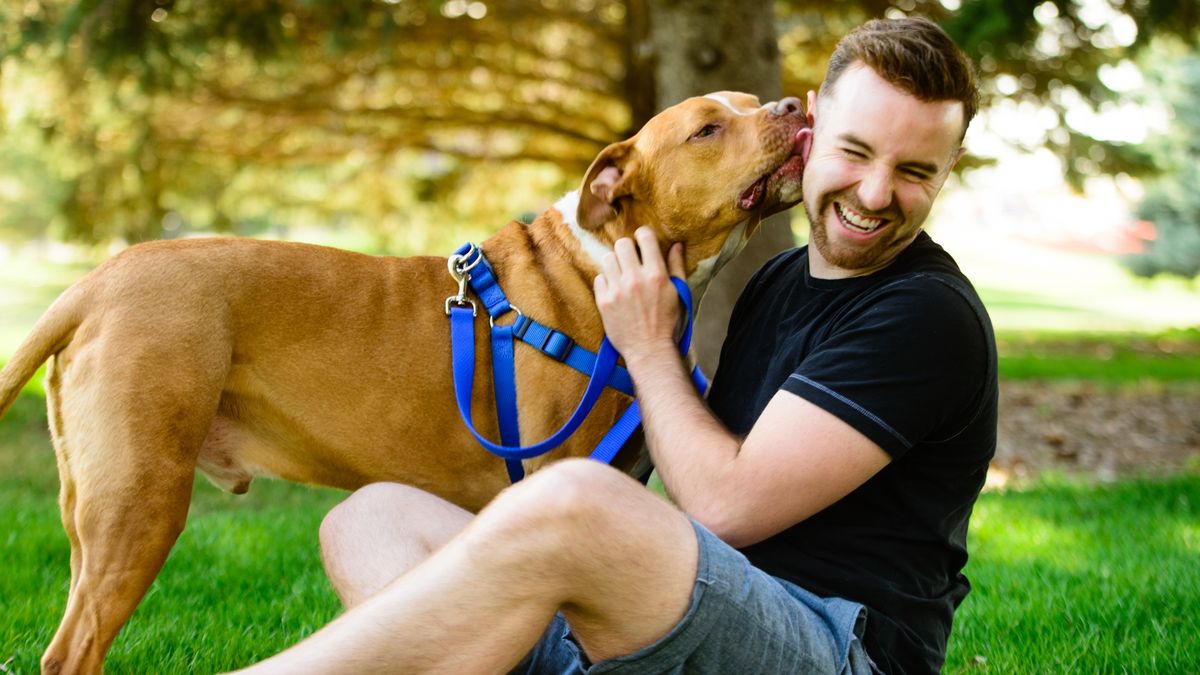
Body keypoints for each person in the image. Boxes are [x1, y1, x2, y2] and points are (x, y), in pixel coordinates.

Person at [236, 16, 996, 675]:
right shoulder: (778, 282)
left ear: (948, 169)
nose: (873, 193)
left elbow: (723, 505)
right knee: (373, 517)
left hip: (828, 646)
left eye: (914, 171)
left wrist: (648, 345)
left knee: (572, 498)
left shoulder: (925, 315)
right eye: (856, 151)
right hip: (685, 629)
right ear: (813, 126)